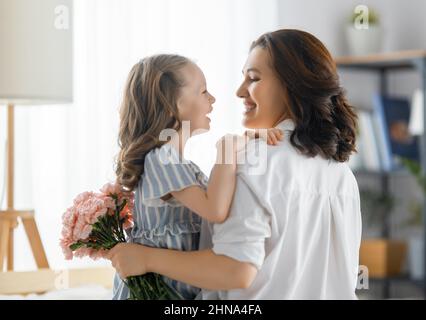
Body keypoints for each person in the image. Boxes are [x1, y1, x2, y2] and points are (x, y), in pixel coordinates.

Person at [108, 29, 362, 299]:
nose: (239, 91)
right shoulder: (343, 174)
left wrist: (145, 258)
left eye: (252, 78)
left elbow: (236, 268)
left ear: (292, 85)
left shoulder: (254, 162)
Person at [112, 54, 281, 299]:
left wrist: (243, 141)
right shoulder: (161, 160)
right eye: (203, 92)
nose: (212, 99)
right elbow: (215, 209)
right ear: (175, 104)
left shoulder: (182, 166)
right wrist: (227, 149)